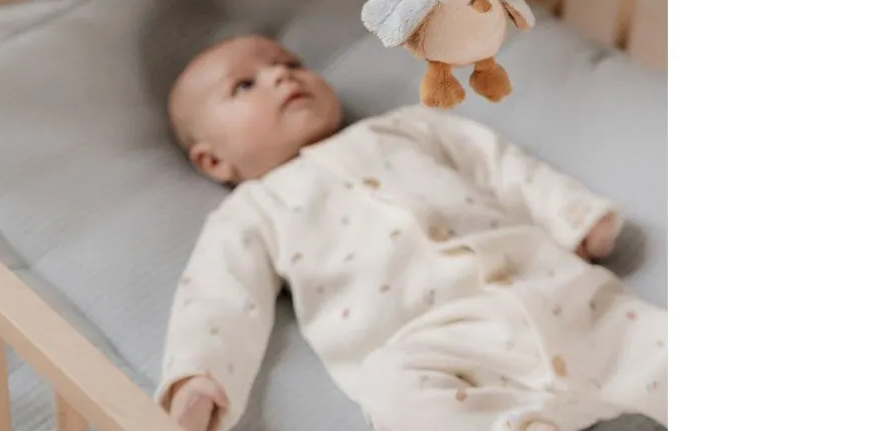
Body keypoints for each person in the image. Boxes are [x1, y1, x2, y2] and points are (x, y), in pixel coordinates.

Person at [158, 35, 666, 431]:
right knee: (391, 388)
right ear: (213, 160)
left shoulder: (405, 128)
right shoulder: (253, 210)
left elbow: (497, 164)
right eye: (244, 86)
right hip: (444, 349)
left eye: (289, 64)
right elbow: (217, 294)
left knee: (658, 346)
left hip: (564, 299)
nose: (280, 75)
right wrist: (200, 376)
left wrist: (570, 213)